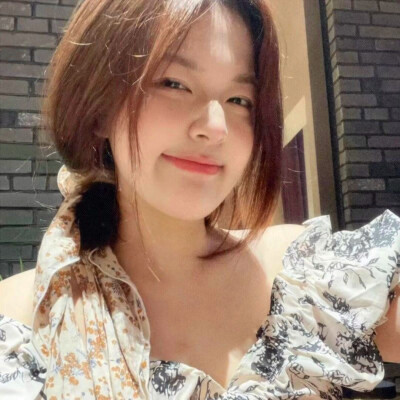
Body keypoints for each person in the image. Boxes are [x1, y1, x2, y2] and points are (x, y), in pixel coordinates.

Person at [0, 0, 399, 399]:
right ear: (100, 108)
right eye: (174, 83)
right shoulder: (19, 327)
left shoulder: (300, 275)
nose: (215, 127)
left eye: (239, 100)